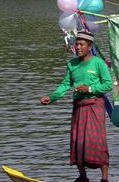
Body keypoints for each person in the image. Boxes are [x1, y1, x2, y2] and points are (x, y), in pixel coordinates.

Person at [40, 31, 112, 182]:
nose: (78, 47)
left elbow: (108, 85)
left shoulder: (98, 63)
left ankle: (105, 179)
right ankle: (83, 178)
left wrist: (90, 89)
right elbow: (65, 85)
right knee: (78, 142)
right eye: (76, 44)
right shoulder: (72, 64)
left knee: (97, 142)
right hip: (79, 107)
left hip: (94, 106)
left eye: (81, 44)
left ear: (89, 46)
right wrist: (52, 97)